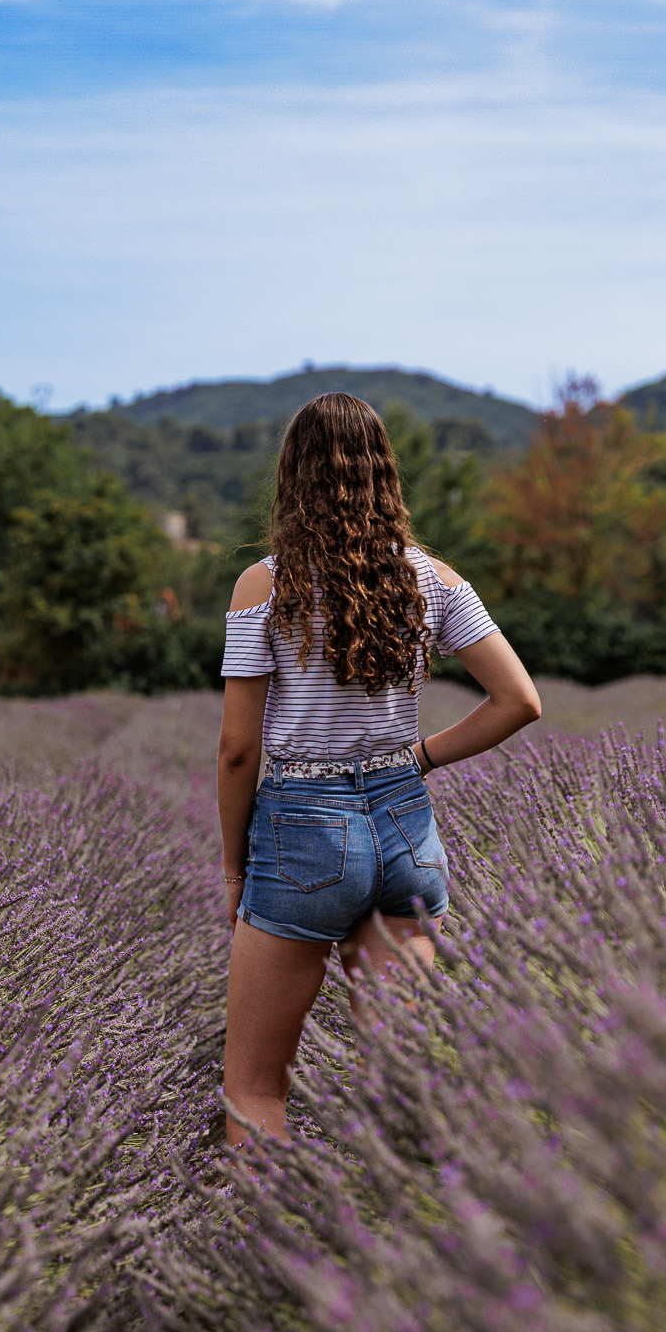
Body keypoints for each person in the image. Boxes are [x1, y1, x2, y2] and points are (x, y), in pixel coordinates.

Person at [216, 392, 542, 1146]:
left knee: (257, 1087)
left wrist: (236, 865)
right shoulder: (431, 578)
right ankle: (413, 1239)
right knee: (407, 1084)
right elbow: (519, 699)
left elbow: (237, 749)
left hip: (300, 829)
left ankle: (259, 1254)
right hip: (405, 828)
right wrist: (419, 757)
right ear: (382, 474)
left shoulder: (265, 585)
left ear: (293, 475)